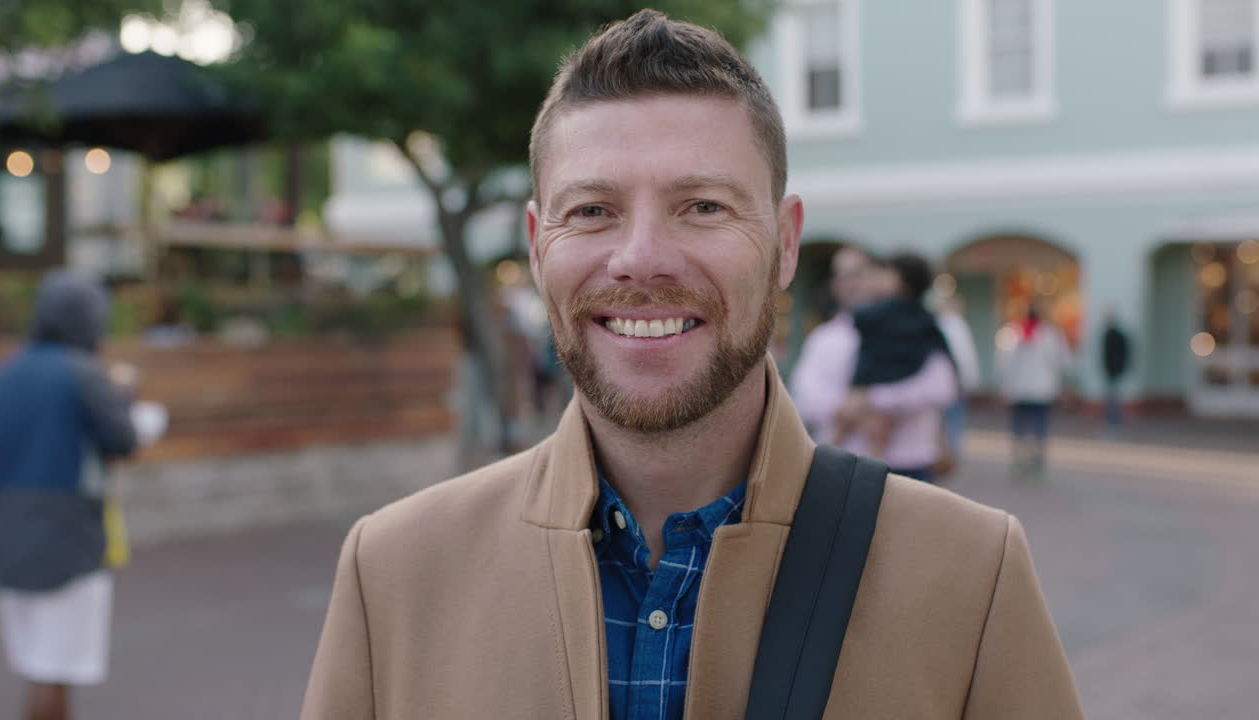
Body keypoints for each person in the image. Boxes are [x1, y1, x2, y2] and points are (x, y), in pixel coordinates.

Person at [301, 12, 1082, 719]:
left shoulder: (972, 576)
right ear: (539, 248)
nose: (641, 258)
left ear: (784, 243)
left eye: (702, 206)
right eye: (592, 210)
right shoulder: (394, 574)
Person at [0, 269, 138, 720]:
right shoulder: (84, 373)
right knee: (55, 670)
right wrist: (125, 393)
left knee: (36, 664)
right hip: (68, 539)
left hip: (10, 532)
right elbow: (122, 439)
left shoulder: (1, 376)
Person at [791, 249, 959, 484]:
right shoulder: (826, 336)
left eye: (857, 274)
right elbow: (805, 396)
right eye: (840, 275)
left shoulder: (920, 326)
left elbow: (942, 386)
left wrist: (872, 400)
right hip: (842, 465)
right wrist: (848, 409)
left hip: (909, 464)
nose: (849, 283)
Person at [997, 305, 1072, 480]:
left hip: (1018, 390)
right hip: (1042, 390)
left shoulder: (1012, 333)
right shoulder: (1049, 335)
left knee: (1019, 428)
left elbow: (1003, 363)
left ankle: (1018, 461)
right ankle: (1037, 464)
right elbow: (1062, 361)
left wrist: (1004, 386)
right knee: (1039, 428)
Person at [935, 294, 982, 463]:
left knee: (941, 421)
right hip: (955, 382)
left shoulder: (939, 325)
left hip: (942, 383)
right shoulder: (957, 327)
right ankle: (951, 455)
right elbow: (965, 356)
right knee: (954, 420)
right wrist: (970, 380)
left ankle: (944, 454)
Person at [1101, 310, 1131, 428]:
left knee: (1113, 395)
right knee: (1112, 395)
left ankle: (1114, 419)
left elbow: (1122, 352)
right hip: (1112, 369)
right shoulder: (1109, 334)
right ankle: (1112, 418)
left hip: (1114, 369)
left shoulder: (1114, 335)